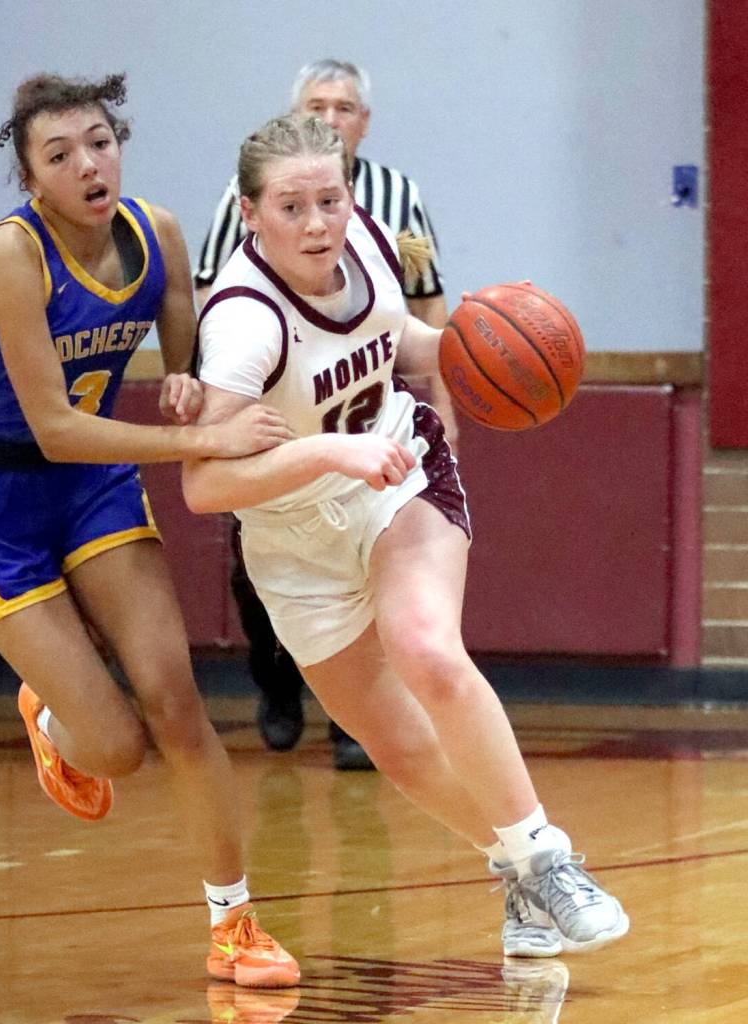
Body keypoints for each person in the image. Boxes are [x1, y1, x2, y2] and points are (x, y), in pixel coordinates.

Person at [183, 113, 629, 958]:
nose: (318, 223)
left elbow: (398, 341)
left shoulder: (376, 243)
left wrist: (479, 346)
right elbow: (205, 486)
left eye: (331, 198)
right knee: (398, 747)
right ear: (249, 212)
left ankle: (548, 859)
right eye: (292, 206)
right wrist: (324, 450)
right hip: (293, 537)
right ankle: (521, 880)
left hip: (397, 474)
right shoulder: (242, 325)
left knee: (425, 646)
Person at [0, 72, 299, 989]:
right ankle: (52, 715)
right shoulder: (10, 257)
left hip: (91, 490)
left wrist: (184, 380)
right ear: (32, 181)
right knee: (118, 747)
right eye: (60, 155)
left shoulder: (157, 234)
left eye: (99, 140)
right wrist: (200, 435)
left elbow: (186, 352)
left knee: (175, 699)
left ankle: (235, 926)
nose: (89, 163)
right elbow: (54, 425)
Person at [195, 59, 457, 770]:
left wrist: (450, 388)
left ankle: (355, 724)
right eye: (320, 105)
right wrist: (207, 393)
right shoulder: (245, 203)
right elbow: (207, 294)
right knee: (260, 569)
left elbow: (424, 298)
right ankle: (277, 682)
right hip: (277, 416)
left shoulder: (396, 202)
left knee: (400, 588)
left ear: (362, 125)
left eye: (345, 107)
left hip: (368, 422)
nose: (334, 116)